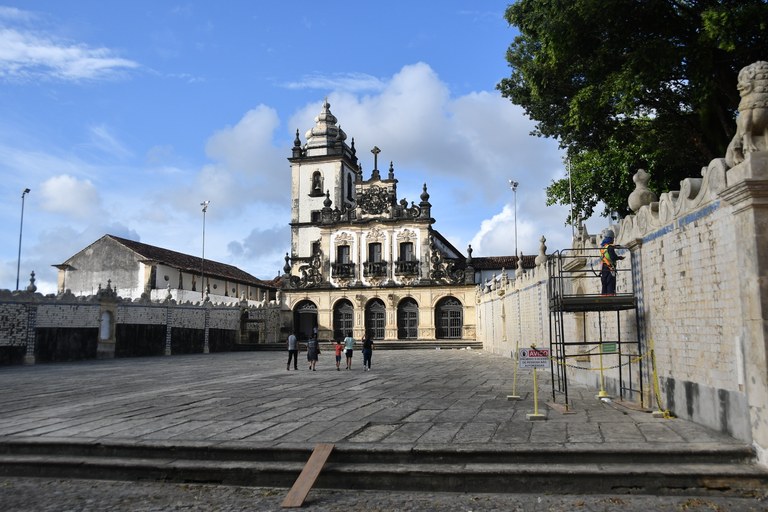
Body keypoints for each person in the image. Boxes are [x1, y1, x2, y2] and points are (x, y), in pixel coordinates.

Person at [599, 229, 624, 295]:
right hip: (610, 268)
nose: (613, 240)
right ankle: (611, 300)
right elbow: (613, 257)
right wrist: (619, 258)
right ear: (611, 238)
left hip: (603, 269)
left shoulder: (603, 248)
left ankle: (604, 300)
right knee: (610, 284)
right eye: (612, 239)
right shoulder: (610, 247)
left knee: (604, 285)